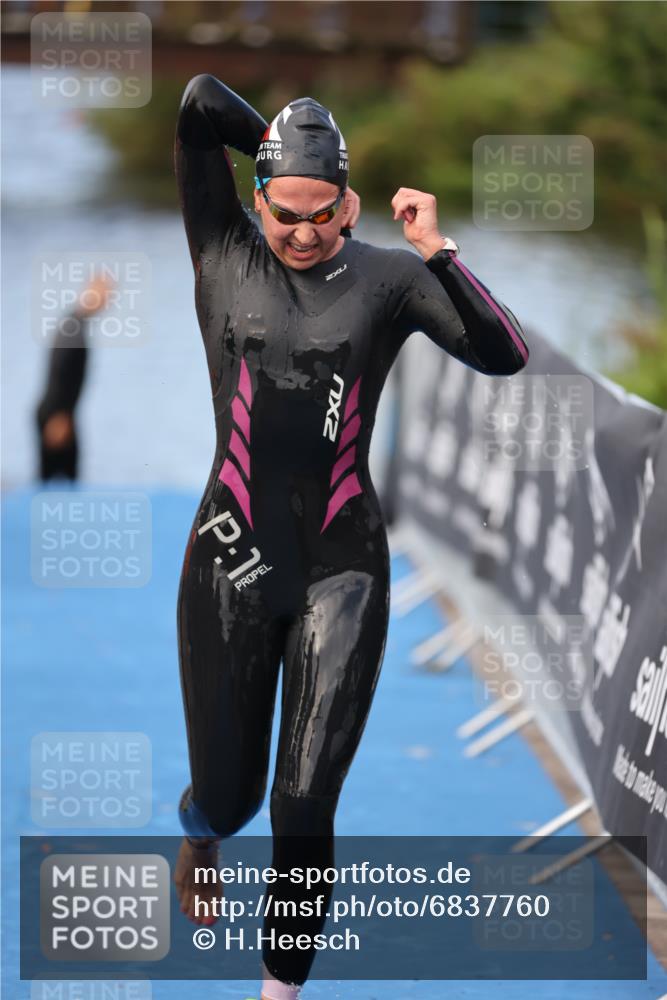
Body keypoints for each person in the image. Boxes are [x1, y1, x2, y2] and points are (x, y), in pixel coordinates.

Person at [172, 74, 528, 1000]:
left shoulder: (390, 277)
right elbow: (199, 102)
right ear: (256, 199)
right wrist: (278, 141)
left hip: (344, 570)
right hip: (229, 558)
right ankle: (199, 829)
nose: (300, 233)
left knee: (302, 802)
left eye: (321, 214)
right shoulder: (221, 251)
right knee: (232, 794)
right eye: (283, 212)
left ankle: (277, 993)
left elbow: (505, 353)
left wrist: (438, 249)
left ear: (350, 203)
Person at [34, 276, 113, 481]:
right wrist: (60, 415)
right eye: (104, 294)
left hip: (62, 412)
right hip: (55, 414)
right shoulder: (72, 328)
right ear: (89, 292)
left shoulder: (75, 323)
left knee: (67, 479)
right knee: (52, 480)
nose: (108, 300)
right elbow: (60, 369)